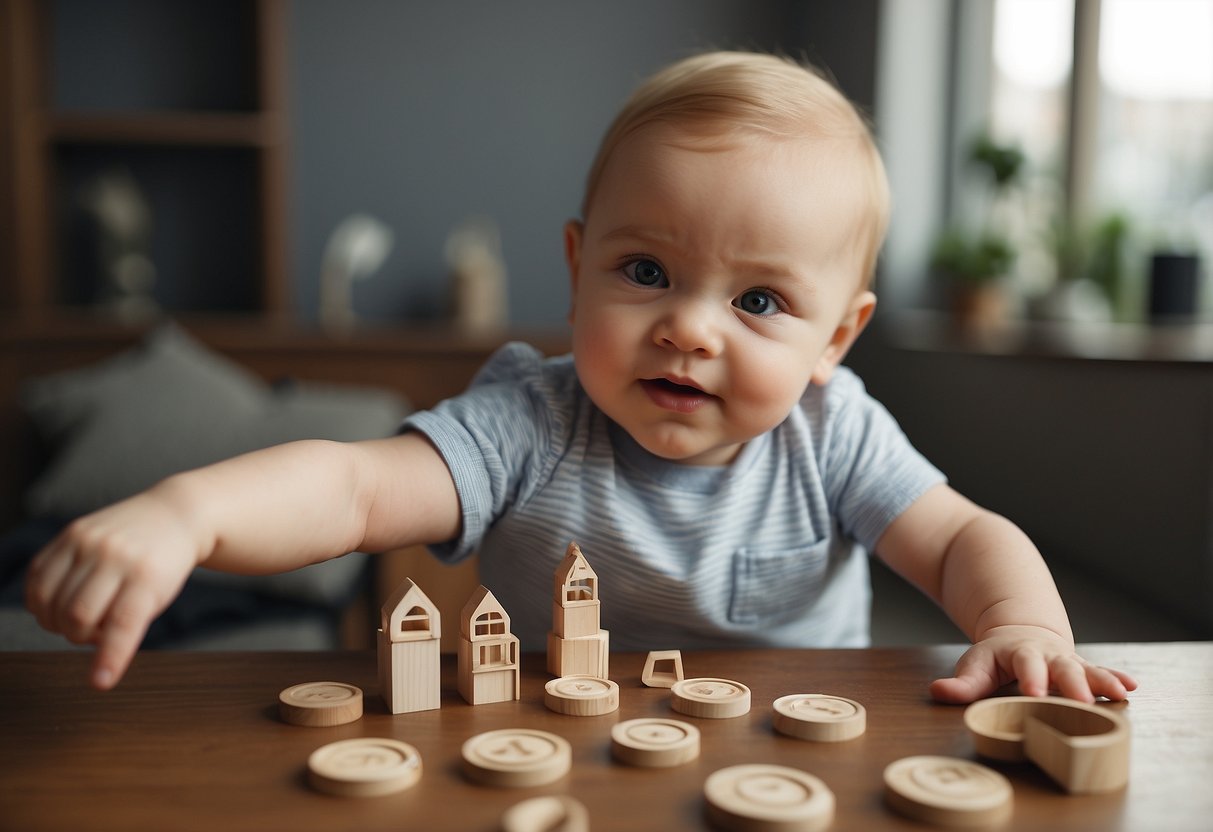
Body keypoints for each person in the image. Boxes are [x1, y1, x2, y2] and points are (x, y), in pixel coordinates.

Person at [25, 51, 1136, 704]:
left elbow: (953, 540)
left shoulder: (832, 432)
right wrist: (188, 512)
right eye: (645, 271)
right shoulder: (529, 420)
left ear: (833, 340)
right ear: (575, 269)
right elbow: (355, 489)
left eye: (757, 301)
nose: (687, 330)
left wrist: (1023, 624)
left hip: (799, 741)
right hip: (562, 739)